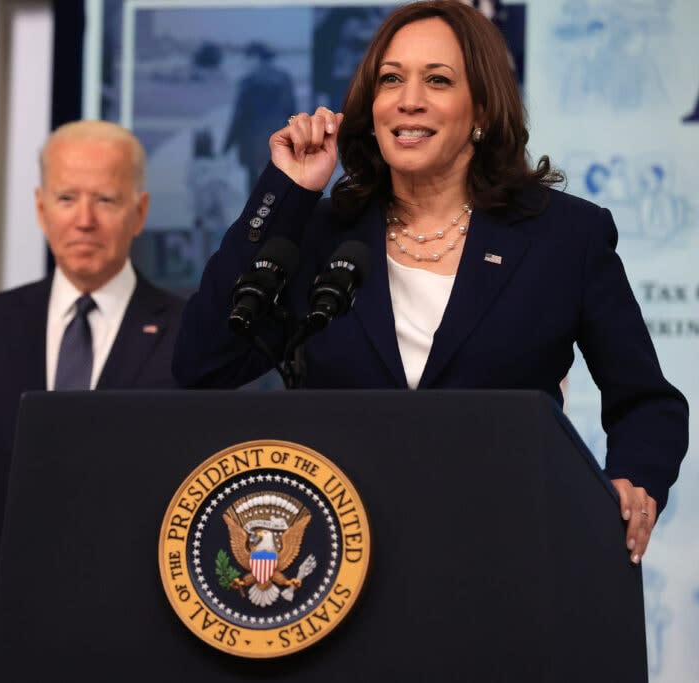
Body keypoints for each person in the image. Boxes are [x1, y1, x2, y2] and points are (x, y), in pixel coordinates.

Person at [173, 1, 686, 567]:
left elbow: (647, 402)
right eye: (391, 79)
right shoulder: (321, 235)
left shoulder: (564, 236)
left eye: (437, 80)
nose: (408, 99)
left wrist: (635, 482)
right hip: (338, 567)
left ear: (482, 109)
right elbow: (204, 363)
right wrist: (288, 192)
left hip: (510, 555)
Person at [0, 120, 183, 682]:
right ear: (41, 208)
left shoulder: (189, 338)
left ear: (139, 211)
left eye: (106, 199)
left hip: (141, 649)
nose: (83, 219)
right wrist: (1, 615)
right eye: (67, 198)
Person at [223, 41, 298, 191]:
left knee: (253, 183)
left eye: (248, 58)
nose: (246, 63)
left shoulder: (248, 81)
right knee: (277, 180)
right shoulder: (284, 79)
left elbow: (239, 116)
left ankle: (254, 212)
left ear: (257, 57)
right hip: (278, 137)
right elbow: (292, 112)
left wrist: (228, 144)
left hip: (252, 139)